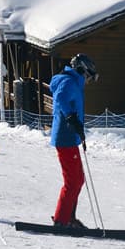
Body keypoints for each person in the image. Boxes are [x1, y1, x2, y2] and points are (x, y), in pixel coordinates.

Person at [49, 53, 91, 230]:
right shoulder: (68, 82)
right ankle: (62, 220)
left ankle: (69, 218)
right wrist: (71, 117)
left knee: (78, 179)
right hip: (65, 138)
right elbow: (61, 98)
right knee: (73, 181)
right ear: (81, 70)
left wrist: (79, 131)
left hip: (70, 137)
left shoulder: (73, 83)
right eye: (88, 76)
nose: (88, 80)